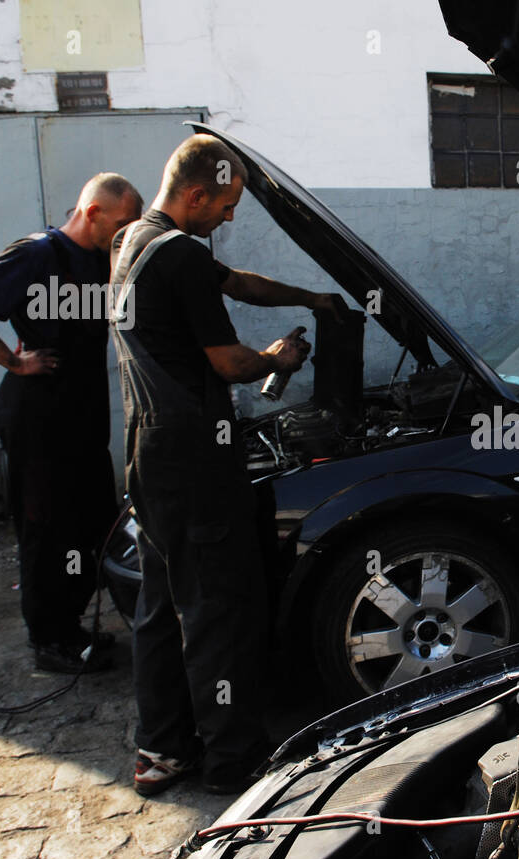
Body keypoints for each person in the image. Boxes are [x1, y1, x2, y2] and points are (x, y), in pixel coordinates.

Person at [109, 134, 333, 796]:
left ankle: (163, 749)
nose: (229, 219)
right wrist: (277, 361)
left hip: (146, 450)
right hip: (192, 457)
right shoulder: (177, 252)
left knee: (160, 603)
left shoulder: (134, 244)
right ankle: (233, 758)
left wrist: (311, 298)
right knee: (216, 607)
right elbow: (229, 362)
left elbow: (237, 284)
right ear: (198, 194)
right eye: (227, 206)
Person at [0, 173, 143, 672]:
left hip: (82, 417)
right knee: (46, 529)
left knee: (93, 520)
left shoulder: (99, 258)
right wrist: (11, 359)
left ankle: (71, 625)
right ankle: (49, 641)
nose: (126, 233)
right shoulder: (36, 254)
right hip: (37, 415)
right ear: (92, 211)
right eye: (120, 223)